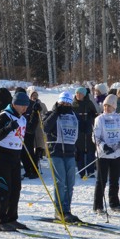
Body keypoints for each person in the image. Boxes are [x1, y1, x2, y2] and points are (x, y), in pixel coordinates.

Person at [0, 91, 30, 232]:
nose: (24, 108)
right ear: (14, 104)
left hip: (15, 156)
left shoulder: (22, 118)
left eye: (26, 106)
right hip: (2, 156)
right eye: (22, 105)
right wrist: (8, 128)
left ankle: (11, 218)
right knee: (4, 188)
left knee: (15, 189)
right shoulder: (4, 116)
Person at [43, 91, 81, 222]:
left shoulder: (73, 115)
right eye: (62, 102)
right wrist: (56, 113)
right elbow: (45, 128)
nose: (64, 105)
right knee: (60, 182)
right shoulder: (51, 113)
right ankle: (58, 211)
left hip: (70, 152)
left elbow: (81, 131)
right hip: (55, 152)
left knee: (70, 183)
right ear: (58, 102)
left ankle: (66, 210)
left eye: (67, 103)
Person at [93, 94, 120, 215]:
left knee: (115, 181)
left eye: (109, 106)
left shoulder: (119, 118)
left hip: (116, 155)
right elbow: (95, 137)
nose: (106, 108)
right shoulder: (99, 119)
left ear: (114, 106)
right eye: (105, 105)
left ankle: (114, 204)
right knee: (101, 181)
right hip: (103, 155)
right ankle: (98, 206)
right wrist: (103, 146)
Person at [73, 87, 98, 177]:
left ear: (84, 95)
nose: (78, 95)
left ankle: (90, 170)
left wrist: (91, 117)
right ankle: (82, 171)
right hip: (78, 130)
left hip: (88, 130)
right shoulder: (73, 104)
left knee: (90, 151)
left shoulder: (89, 103)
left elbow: (95, 115)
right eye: (77, 93)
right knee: (79, 151)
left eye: (80, 94)